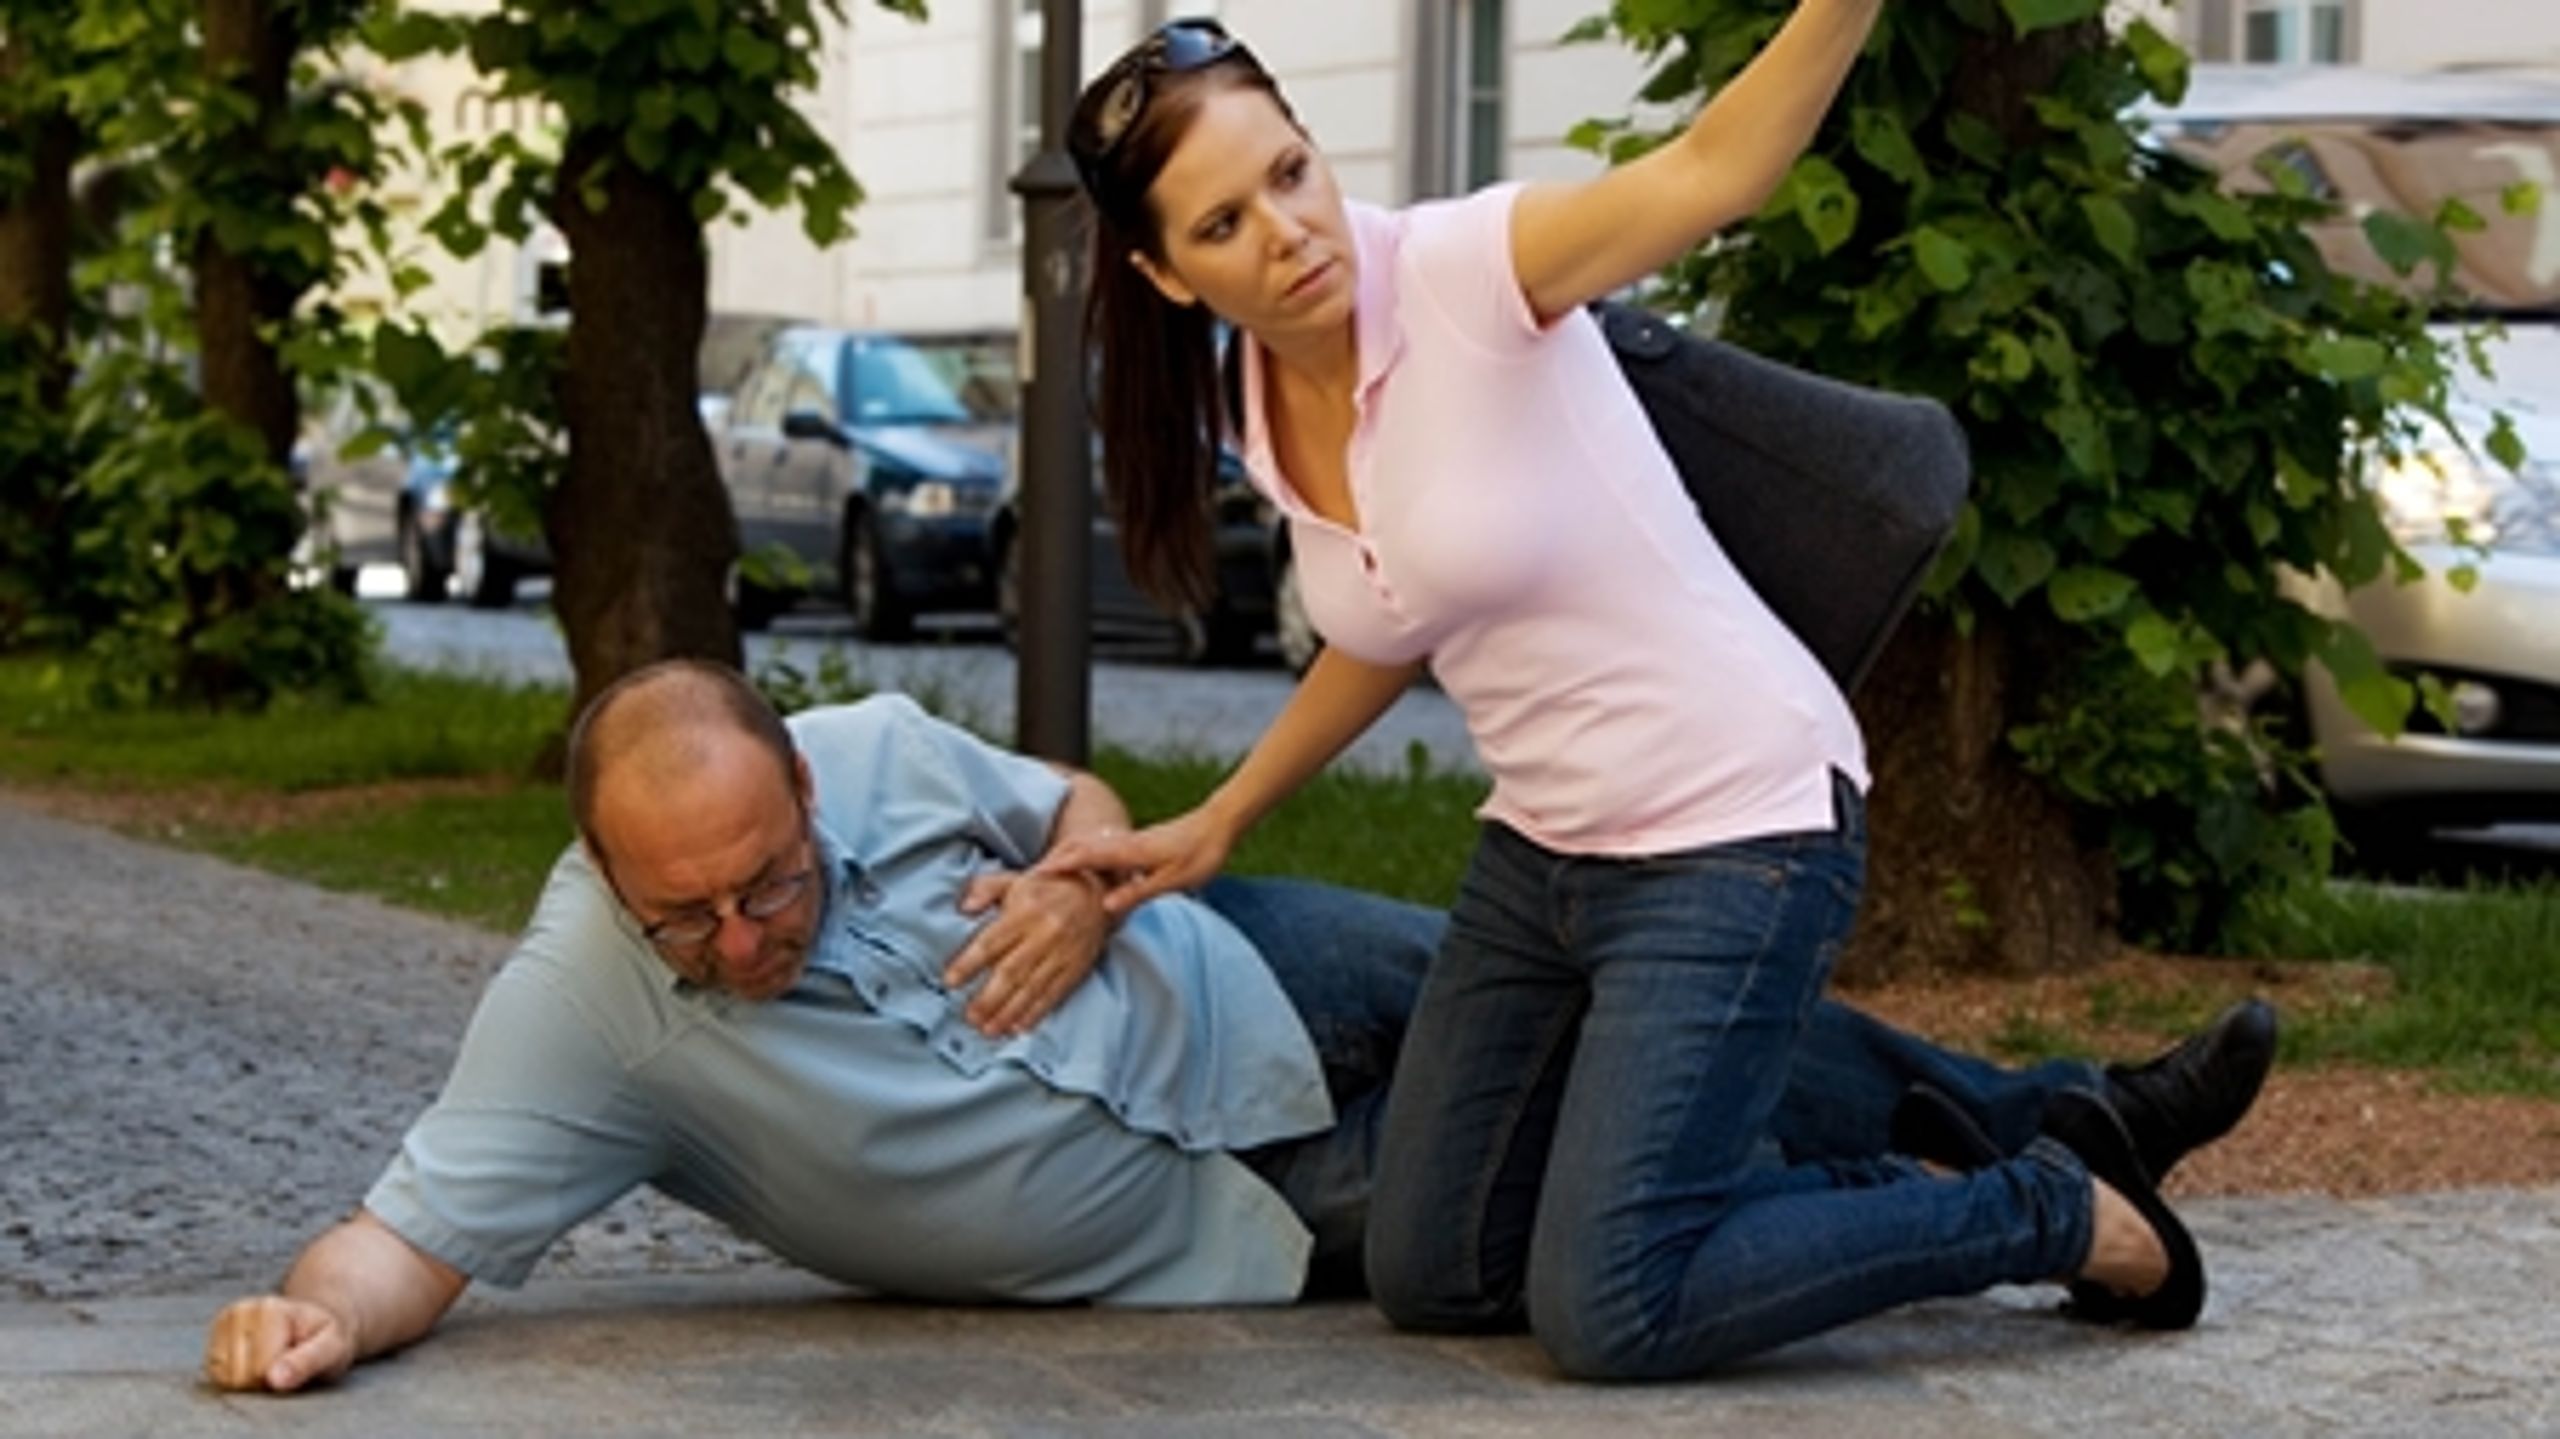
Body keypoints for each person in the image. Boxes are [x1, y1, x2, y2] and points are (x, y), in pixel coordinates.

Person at [1048, 10, 2227, 1380]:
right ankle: (1855, 1181)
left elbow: (1716, 169)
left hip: (1735, 825)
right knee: (1434, 1270)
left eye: (1291, 172)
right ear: (1167, 275)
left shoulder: (1467, 273)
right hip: (1543, 854)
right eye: (1222, 225)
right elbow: (1389, 618)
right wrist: (1225, 815)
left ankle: (2053, 1210)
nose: (1289, 231)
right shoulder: (1256, 395)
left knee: (1615, 1311)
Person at [203, 661, 2275, 1393]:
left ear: (801, 794)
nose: (743, 933)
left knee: (1649, 999)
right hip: (1253, 1199)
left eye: (774, 884)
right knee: (1618, 1183)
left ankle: (2060, 1112)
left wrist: (1084, 876)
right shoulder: (586, 1004)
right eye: (695, 918)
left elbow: (1081, 804)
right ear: (602, 876)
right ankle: (2022, 1195)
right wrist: (306, 1316)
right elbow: (403, 1236)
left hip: (1249, 963)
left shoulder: (859, 751)